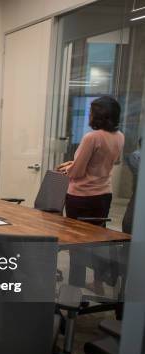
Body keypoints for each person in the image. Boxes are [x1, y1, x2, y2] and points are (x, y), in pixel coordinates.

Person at [56, 96, 125, 293]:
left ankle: (74, 291)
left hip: (81, 196)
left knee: (77, 245)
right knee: (97, 241)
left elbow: (77, 173)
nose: (89, 115)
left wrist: (69, 167)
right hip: (103, 194)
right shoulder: (119, 136)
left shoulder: (92, 137)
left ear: (100, 116)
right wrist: (75, 164)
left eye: (92, 112)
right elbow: (111, 163)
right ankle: (97, 282)